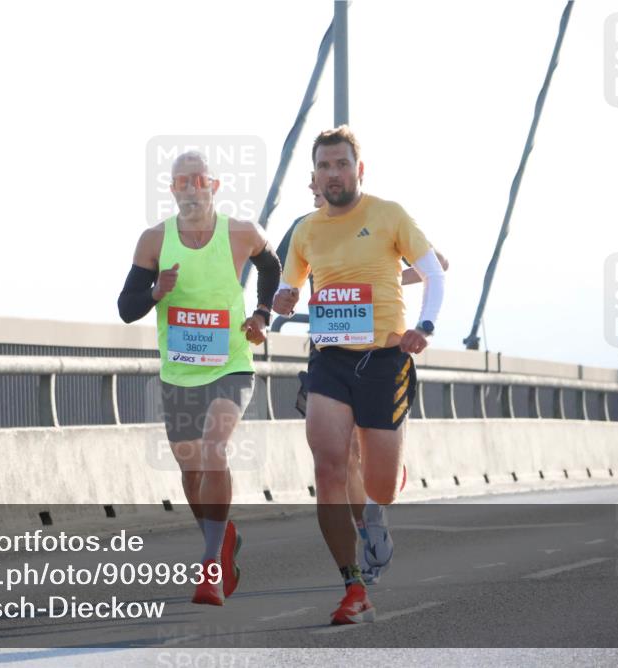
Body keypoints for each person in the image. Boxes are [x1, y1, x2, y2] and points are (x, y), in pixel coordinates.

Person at [273, 126, 445, 624]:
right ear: (314, 176)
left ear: (358, 169)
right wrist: (283, 300)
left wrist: (425, 326)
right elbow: (289, 289)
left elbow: (433, 271)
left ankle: (378, 509)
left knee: (380, 484)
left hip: (385, 359)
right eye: (324, 166)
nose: (333, 173)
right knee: (329, 466)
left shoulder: (388, 215)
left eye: (341, 164)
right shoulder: (306, 230)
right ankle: (353, 585)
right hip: (330, 359)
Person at [119, 150, 281, 606]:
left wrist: (262, 316)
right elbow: (127, 308)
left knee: (215, 449)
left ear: (214, 185)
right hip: (179, 373)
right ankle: (222, 537)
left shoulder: (241, 233)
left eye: (199, 180)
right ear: (172, 190)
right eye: (181, 182)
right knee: (191, 471)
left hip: (231, 363)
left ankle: (210, 565)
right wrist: (156, 292)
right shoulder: (154, 240)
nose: (191, 188)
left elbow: (272, 266)